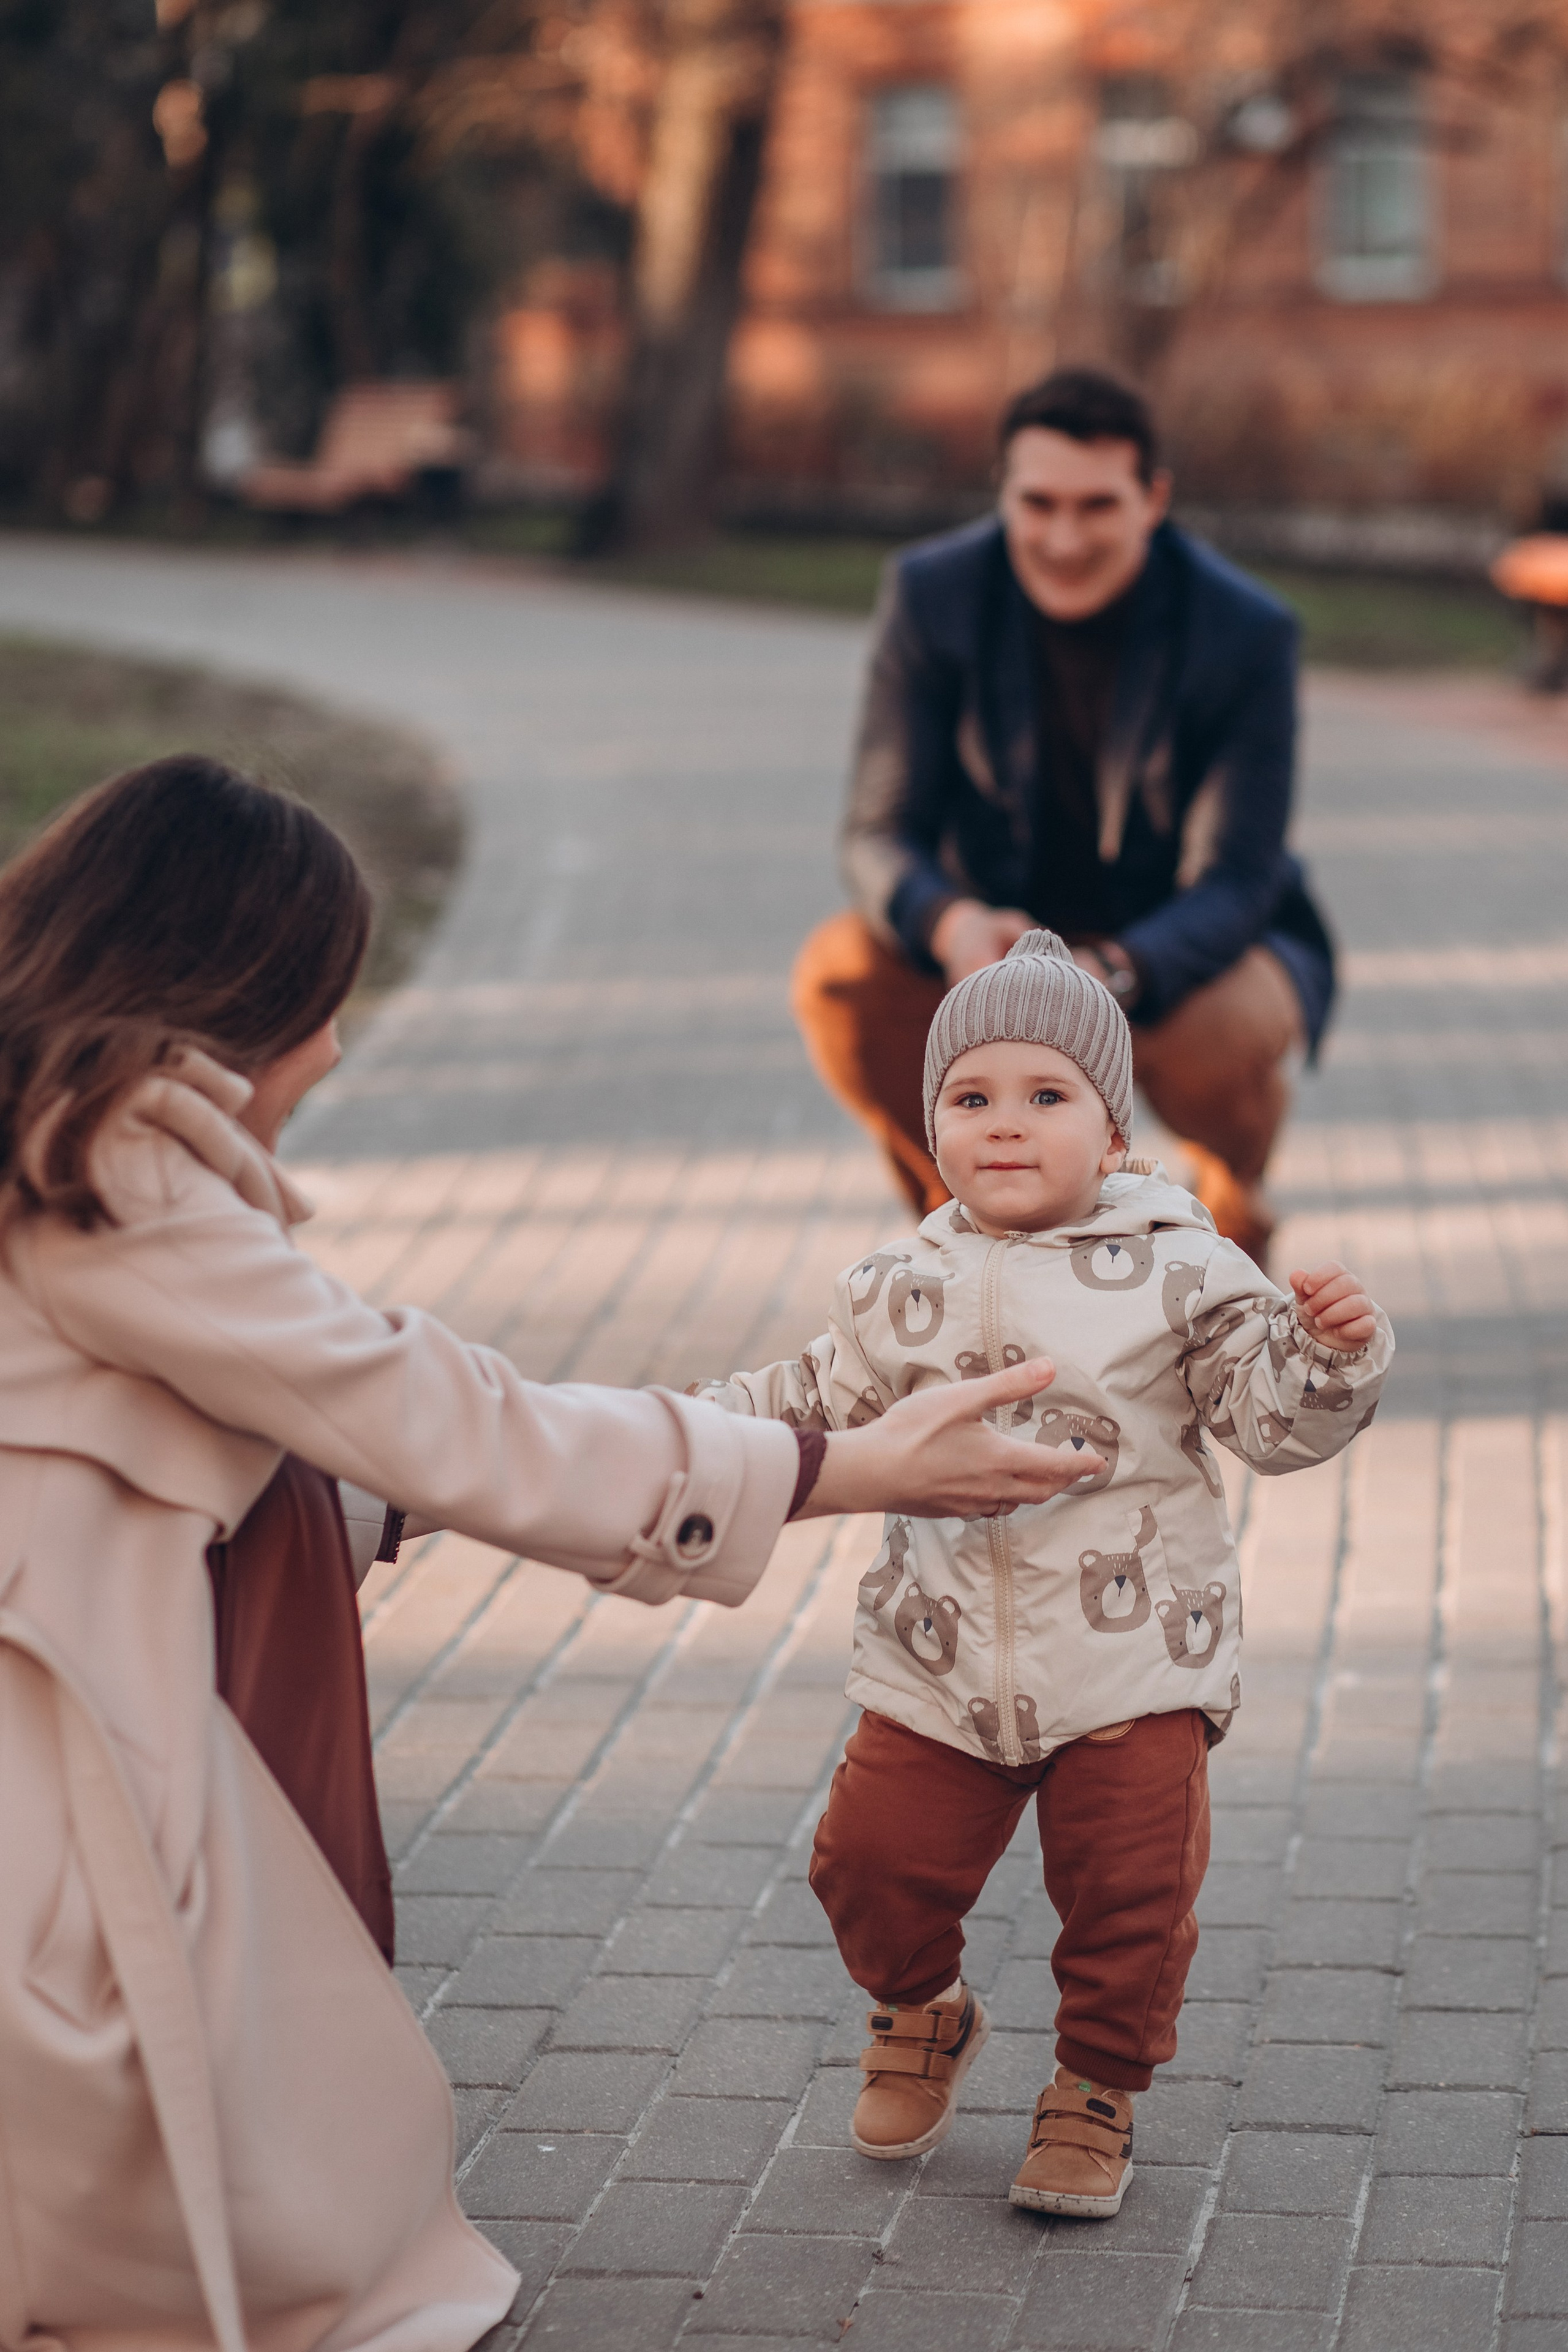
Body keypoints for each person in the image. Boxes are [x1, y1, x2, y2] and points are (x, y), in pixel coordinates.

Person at [0, 758, 1100, 2351]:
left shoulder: (52, 1150)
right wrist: (837, 1465)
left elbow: (319, 1438)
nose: (327, 1046)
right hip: (67, 1758)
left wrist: (398, 1493)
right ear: (228, 1000)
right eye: (324, 1004)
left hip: (90, 1703)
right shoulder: (114, 1183)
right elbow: (436, 1409)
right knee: (180, 2162)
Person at [694, 930, 1391, 2218]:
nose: (1003, 1126)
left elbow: (1263, 1419)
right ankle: (921, 2011)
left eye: (1044, 1097)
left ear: (1113, 1135)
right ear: (933, 1125)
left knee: (1127, 1901)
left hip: (1135, 1661)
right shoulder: (901, 1282)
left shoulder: (1183, 1270)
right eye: (970, 1099)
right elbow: (808, 1397)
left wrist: (1326, 1355)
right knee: (866, 1863)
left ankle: (1093, 2088)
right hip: (936, 1656)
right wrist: (682, 1434)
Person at [792, 365, 1335, 1267]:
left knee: (1221, 1039)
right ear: (1002, 492)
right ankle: (973, 1225)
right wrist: (953, 924)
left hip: (1173, 946)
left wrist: (1110, 974)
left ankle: (1233, 1205)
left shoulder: (1245, 631)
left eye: (1096, 506)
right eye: (1037, 504)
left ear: (1153, 499)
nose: (1064, 538)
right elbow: (877, 829)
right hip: (994, 936)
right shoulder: (934, 596)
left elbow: (1237, 877)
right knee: (839, 976)